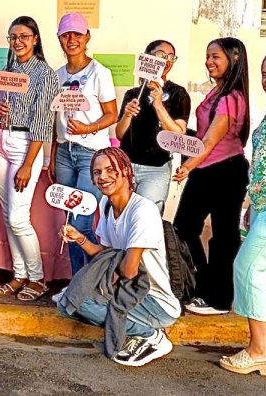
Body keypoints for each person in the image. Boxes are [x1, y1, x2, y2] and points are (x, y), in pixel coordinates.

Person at [59, 147, 181, 367]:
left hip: (155, 301)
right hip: (128, 288)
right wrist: (79, 239)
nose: (103, 177)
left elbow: (129, 271)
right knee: (66, 299)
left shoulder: (142, 211)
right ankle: (131, 324)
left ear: (126, 171)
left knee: (79, 301)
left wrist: (101, 284)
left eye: (110, 169)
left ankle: (150, 335)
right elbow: (105, 255)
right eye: (97, 172)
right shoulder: (106, 205)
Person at [173, 37, 250, 316]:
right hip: (207, 169)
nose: (209, 62)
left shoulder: (232, 97)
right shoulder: (217, 92)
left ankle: (218, 298)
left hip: (225, 170)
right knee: (184, 228)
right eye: (207, 56)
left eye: (215, 56)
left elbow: (210, 141)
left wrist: (187, 167)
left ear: (235, 59)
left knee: (223, 235)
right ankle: (204, 287)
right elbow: (200, 138)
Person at [0, 16, 60, 301]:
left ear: (35, 39)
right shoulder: (7, 70)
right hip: (0, 142)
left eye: (23, 36)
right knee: (8, 215)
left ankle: (38, 278)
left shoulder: (45, 75)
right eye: (12, 37)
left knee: (19, 218)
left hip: (24, 145)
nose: (17, 42)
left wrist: (29, 164)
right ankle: (19, 275)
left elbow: (43, 123)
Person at [50, 13, 118, 275]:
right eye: (66, 35)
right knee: (69, 220)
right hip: (64, 153)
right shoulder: (57, 76)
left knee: (81, 220)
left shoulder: (100, 73)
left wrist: (88, 128)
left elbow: (112, 114)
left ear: (87, 37)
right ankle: (77, 282)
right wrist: (55, 155)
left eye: (77, 34)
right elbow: (56, 120)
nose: (72, 39)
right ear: (59, 39)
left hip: (92, 156)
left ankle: (87, 285)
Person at [220, 55, 266, 375]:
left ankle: (259, 349)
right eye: (265, 73)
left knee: (248, 268)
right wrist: (253, 201)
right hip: (262, 203)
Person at [115, 40, 190, 213]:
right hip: (126, 165)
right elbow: (120, 134)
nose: (166, 60)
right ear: (148, 57)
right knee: (121, 215)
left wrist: (158, 105)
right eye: (160, 55)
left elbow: (178, 133)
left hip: (156, 169)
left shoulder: (178, 94)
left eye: (171, 57)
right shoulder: (133, 94)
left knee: (147, 218)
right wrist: (127, 115)